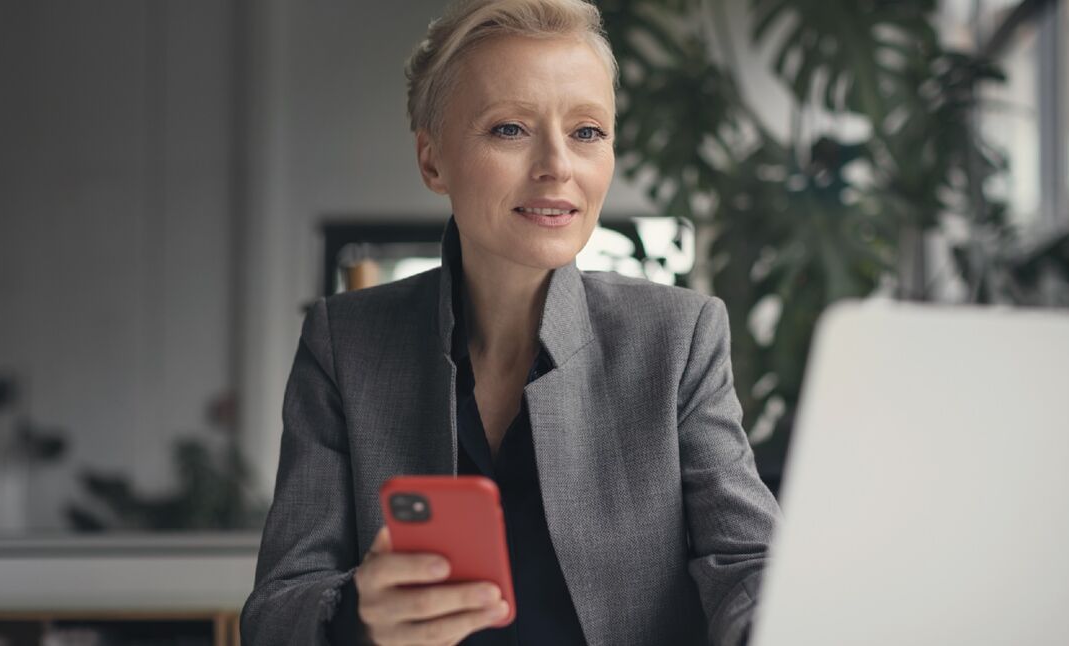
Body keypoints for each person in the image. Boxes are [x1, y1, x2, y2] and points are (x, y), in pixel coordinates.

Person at [239, 0, 780, 644]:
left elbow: (748, 564)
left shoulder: (676, 336)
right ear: (432, 160)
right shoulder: (346, 343)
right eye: (509, 129)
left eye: (587, 132)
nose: (558, 165)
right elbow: (275, 612)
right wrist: (357, 613)